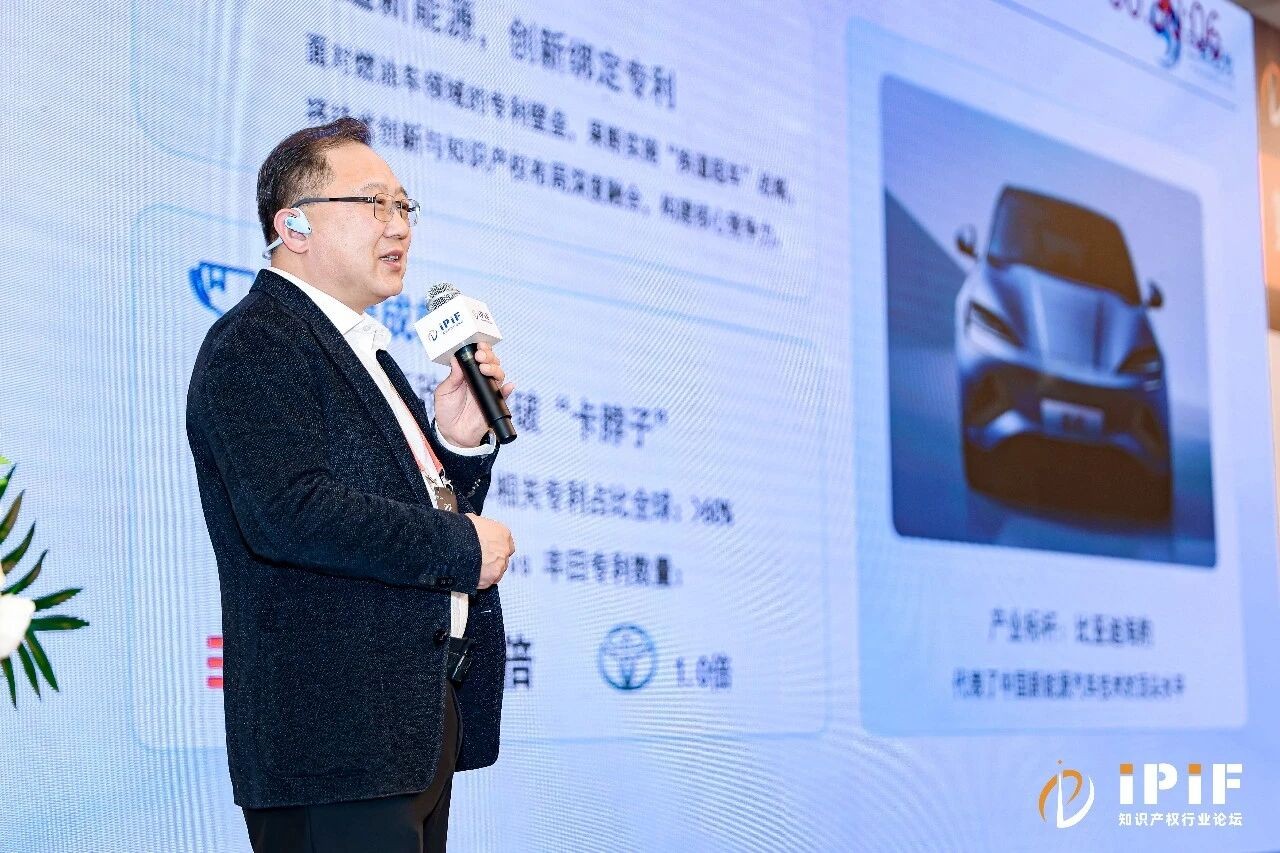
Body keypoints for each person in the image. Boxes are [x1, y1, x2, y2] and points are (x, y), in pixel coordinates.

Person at [185, 117, 516, 853]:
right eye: (373, 204)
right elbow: (288, 512)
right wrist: (462, 546)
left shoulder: (367, 354)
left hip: (406, 727)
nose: (398, 225)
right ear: (293, 226)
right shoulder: (257, 341)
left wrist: (457, 446)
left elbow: (409, 520)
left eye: (404, 206)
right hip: (332, 740)